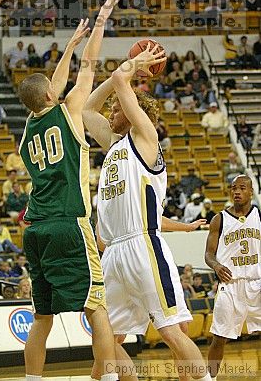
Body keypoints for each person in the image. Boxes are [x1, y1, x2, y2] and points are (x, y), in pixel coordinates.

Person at [83, 45, 212, 381]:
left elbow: (120, 80)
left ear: (134, 110)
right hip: (113, 252)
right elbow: (86, 109)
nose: (111, 111)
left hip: (143, 247)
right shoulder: (114, 144)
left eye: (117, 108)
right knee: (105, 337)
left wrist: (132, 67)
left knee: (172, 331)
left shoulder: (146, 139)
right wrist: (119, 81)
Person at [18, 0, 121, 381]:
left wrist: (68, 48)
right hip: (69, 224)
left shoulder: (29, 125)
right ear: (51, 95)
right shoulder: (71, 109)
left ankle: (32, 380)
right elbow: (89, 69)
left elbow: (50, 87)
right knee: (97, 308)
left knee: (42, 317)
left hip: (37, 229)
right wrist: (98, 25)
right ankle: (109, 377)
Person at [205, 175, 261, 381]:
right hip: (230, 284)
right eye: (233, 188)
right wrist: (216, 265)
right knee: (219, 337)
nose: (236, 191)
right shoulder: (219, 219)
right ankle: (210, 378)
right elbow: (209, 254)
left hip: (257, 281)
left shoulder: (259, 215)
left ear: (251, 192)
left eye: (242, 188)